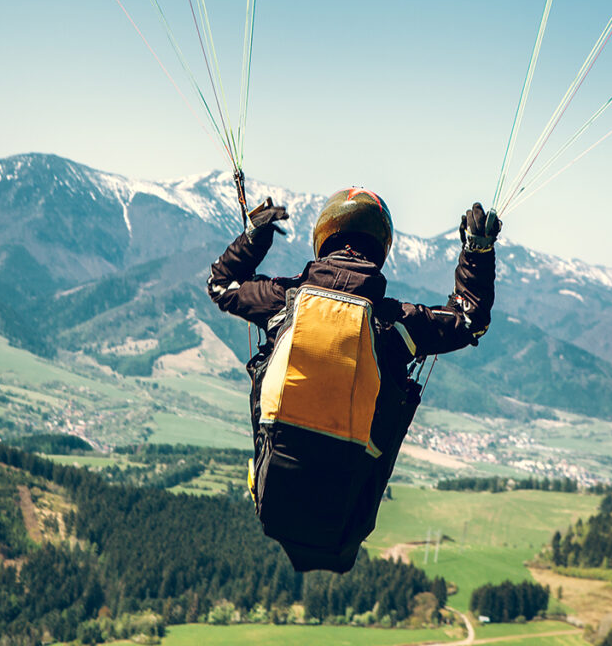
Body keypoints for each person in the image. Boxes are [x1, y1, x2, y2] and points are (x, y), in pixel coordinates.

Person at [207, 188, 499, 572]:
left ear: (323, 241)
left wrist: (254, 236)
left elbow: (221, 285)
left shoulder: (283, 301)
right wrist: (477, 251)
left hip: (275, 495)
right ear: (380, 249)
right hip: (343, 514)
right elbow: (469, 320)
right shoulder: (394, 325)